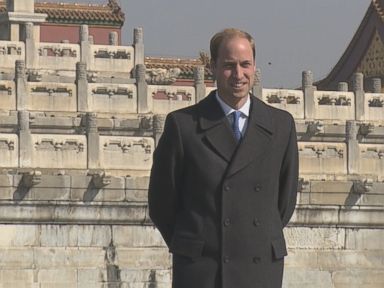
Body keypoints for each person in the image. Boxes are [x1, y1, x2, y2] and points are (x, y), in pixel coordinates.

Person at [148, 28, 298, 288]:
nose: (238, 75)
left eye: (245, 65)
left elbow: (284, 203)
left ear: (254, 66)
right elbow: (162, 204)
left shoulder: (280, 126)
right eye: (229, 66)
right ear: (213, 67)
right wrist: (194, 244)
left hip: (259, 268)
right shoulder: (184, 126)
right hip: (203, 270)